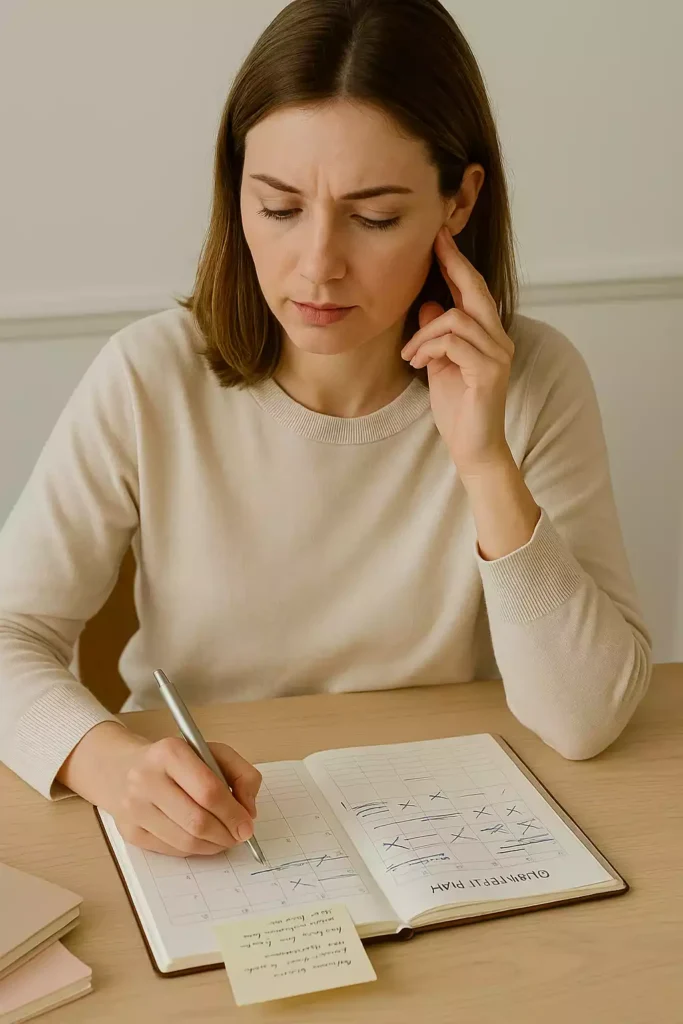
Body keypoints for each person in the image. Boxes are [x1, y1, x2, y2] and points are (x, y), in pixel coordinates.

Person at [0, 0, 651, 862]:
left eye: (374, 217)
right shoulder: (148, 374)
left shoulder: (533, 380)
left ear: (458, 201)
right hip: (213, 838)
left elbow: (586, 718)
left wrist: (485, 462)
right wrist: (107, 764)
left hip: (447, 831)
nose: (316, 265)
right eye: (276, 208)